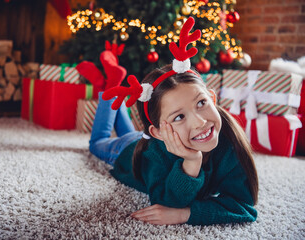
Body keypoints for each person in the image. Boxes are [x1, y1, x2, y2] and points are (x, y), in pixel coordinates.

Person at [88, 17, 258, 226]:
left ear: (213, 99)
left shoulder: (229, 143)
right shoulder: (154, 153)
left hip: (142, 136)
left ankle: (108, 86)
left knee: (125, 130)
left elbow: (244, 207)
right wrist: (192, 161)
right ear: (158, 132)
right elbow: (165, 202)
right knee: (97, 143)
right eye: (179, 116)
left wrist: (186, 214)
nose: (200, 122)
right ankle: (107, 87)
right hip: (127, 149)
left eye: (201, 103)